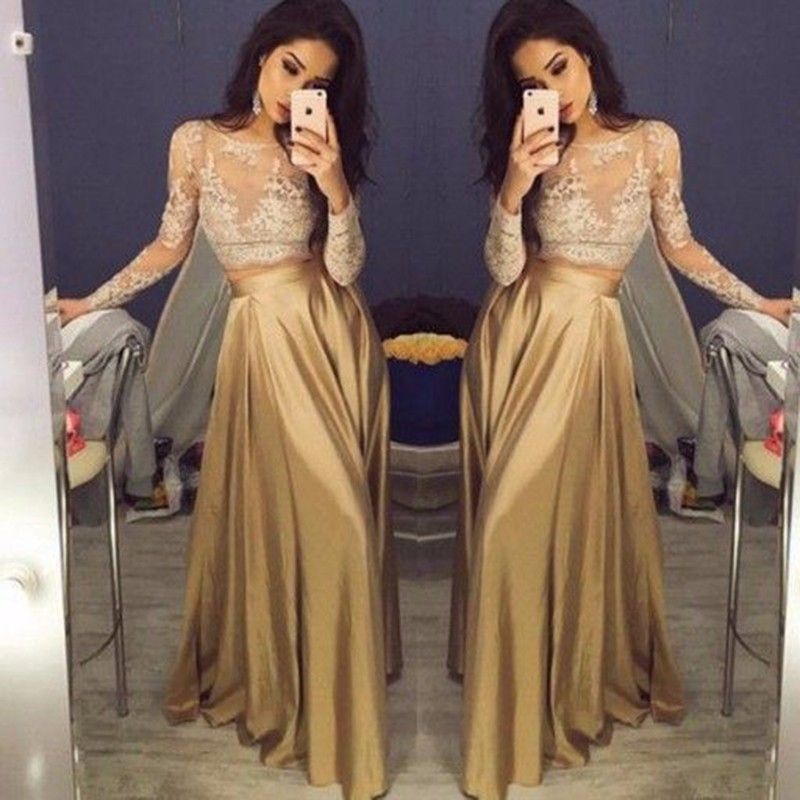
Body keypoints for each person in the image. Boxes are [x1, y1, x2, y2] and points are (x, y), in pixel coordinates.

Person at [446, 1, 791, 797]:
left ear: (589, 57)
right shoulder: (528, 148)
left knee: (574, 518)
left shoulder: (653, 143)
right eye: (532, 84)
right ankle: (507, 710)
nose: (553, 93)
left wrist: (758, 303)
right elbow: (503, 268)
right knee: (507, 520)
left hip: (592, 342)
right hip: (519, 337)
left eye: (559, 68)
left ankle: (568, 685)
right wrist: (514, 184)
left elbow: (679, 245)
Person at [58, 1, 401, 796]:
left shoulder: (320, 148)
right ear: (260, 56)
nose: (295, 92)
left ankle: (341, 709)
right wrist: (91, 303)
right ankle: (281, 686)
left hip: (329, 336)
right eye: (289, 68)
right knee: (274, 518)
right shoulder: (196, 143)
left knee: (342, 520)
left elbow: (346, 268)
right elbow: (169, 246)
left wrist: (334, 183)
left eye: (316, 84)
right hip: (257, 342)